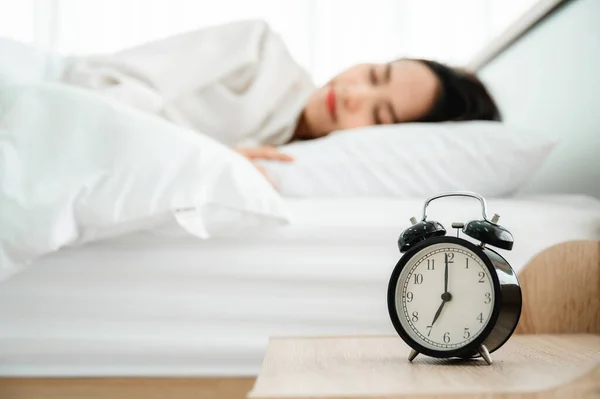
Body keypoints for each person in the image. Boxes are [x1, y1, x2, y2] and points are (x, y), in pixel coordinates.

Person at [60, 19, 500, 173]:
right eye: (373, 74)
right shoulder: (258, 49)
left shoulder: (299, 169)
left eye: (380, 115)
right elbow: (97, 83)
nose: (352, 93)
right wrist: (205, 155)